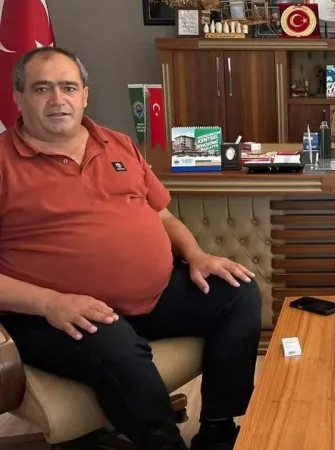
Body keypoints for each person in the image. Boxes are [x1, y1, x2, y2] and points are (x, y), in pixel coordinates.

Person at [0, 47, 262, 450]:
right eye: (41, 88)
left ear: (85, 95)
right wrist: (51, 302)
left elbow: (163, 217)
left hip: (152, 297)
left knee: (237, 291)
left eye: (68, 87)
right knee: (114, 344)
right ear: (18, 98)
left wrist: (196, 255)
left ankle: (218, 429)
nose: (57, 99)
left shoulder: (118, 143)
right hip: (51, 314)